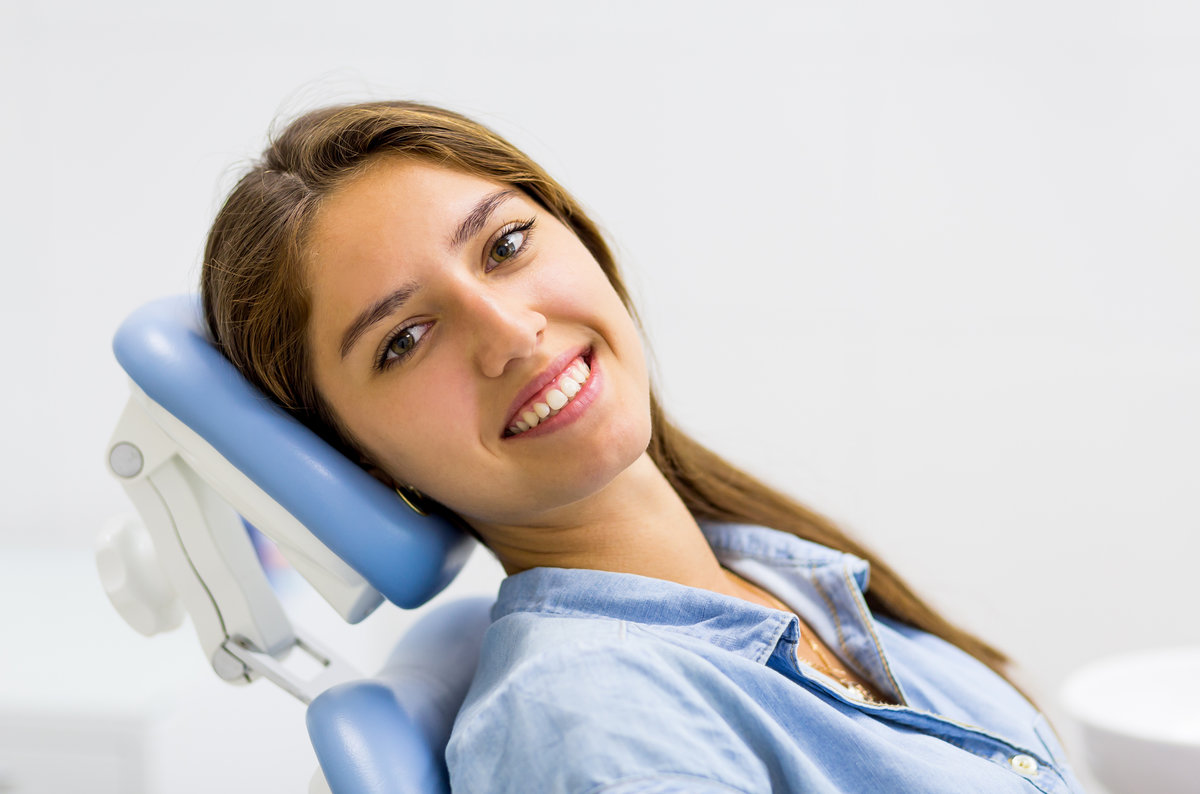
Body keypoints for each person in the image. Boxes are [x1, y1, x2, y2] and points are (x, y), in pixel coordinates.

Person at [201, 100, 1088, 793]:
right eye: (404, 340)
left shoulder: (767, 570)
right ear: (364, 461)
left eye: (506, 244)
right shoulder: (597, 724)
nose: (509, 332)